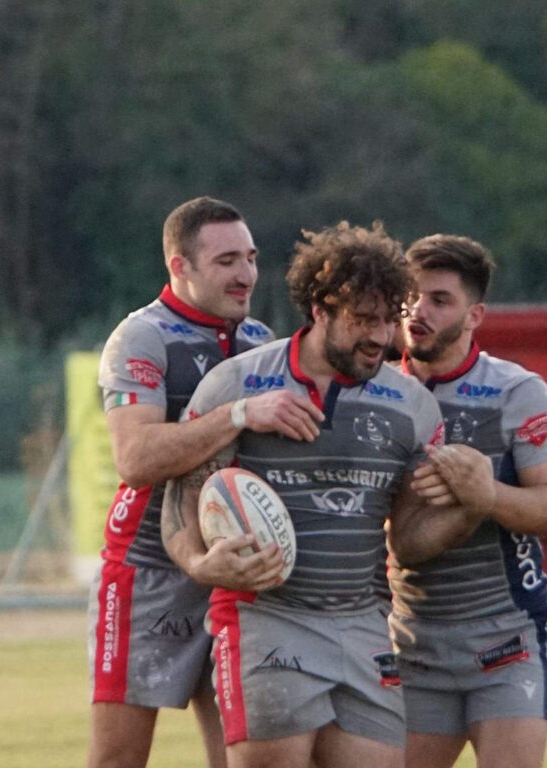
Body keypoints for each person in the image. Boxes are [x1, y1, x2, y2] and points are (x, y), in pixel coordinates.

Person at [160, 221, 477, 768]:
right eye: (363, 319)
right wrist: (200, 563)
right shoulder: (238, 384)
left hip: (364, 627)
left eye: (389, 320)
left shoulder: (413, 407)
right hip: (267, 620)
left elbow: (408, 542)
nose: (381, 337)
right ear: (321, 309)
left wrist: (474, 503)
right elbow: (180, 503)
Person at [87, 196, 324, 768]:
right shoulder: (141, 338)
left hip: (238, 571)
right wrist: (239, 413)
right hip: (149, 572)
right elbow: (135, 458)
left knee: (243, 758)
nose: (246, 274)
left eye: (251, 258)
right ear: (180, 266)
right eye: (226, 261)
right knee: (118, 759)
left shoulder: (261, 341)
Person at [387, 234, 547, 768]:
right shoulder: (377, 393)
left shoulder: (518, 392)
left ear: (475, 315)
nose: (418, 311)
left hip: (507, 641)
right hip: (411, 642)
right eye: (410, 297)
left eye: (439, 300)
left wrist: (485, 494)